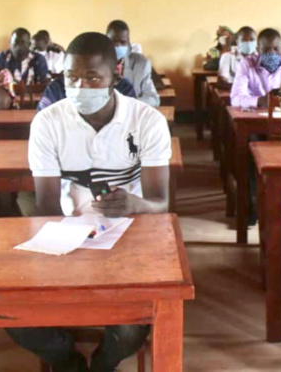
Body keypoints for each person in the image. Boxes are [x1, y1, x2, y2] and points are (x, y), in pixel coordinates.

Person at [11, 32, 170, 372]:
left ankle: (103, 363)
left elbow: (160, 203)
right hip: (67, 233)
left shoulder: (147, 121)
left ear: (117, 73)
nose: (80, 87)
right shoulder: (48, 122)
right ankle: (67, 361)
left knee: (131, 328)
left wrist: (134, 205)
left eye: (93, 77)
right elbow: (48, 208)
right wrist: (69, 248)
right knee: (14, 316)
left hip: (133, 233)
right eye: (71, 77)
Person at [230, 28, 281, 108]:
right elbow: (235, 99)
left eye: (276, 49)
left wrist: (276, 101)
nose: (272, 53)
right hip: (254, 114)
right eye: (266, 49)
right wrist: (259, 101)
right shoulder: (247, 64)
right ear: (258, 50)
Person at [106, 20, 160, 107]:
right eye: (114, 42)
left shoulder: (141, 64)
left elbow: (153, 99)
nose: (118, 46)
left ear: (128, 43)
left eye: (123, 42)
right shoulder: (95, 64)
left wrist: (129, 104)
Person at [37, 76, 136, 111]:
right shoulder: (56, 87)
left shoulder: (123, 87)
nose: (81, 85)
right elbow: (41, 126)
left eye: (92, 77)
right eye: (73, 76)